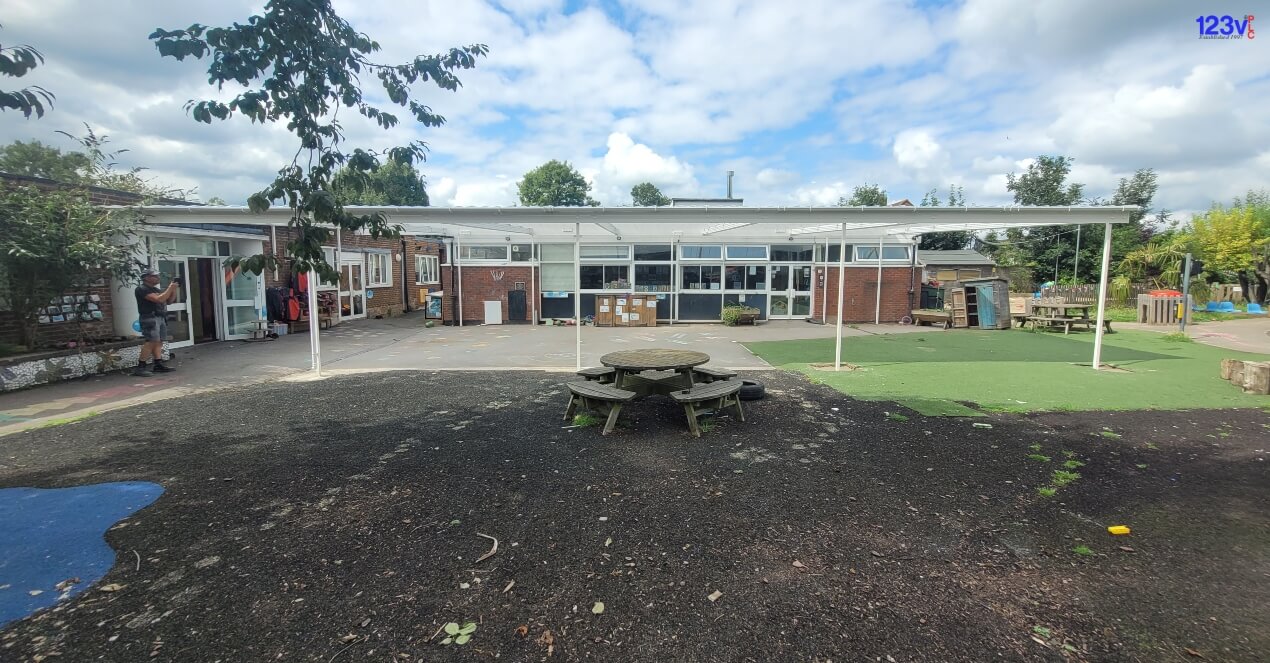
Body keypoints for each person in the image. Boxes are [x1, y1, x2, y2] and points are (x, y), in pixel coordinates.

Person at [134, 268, 180, 376]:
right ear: (146, 278)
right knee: (151, 341)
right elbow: (158, 299)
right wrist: (170, 287)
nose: (158, 278)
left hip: (160, 317)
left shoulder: (156, 290)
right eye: (155, 276)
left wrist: (173, 290)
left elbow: (169, 301)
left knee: (159, 341)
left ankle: (158, 364)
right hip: (150, 318)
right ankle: (141, 367)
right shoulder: (141, 289)